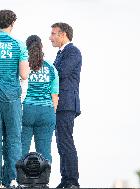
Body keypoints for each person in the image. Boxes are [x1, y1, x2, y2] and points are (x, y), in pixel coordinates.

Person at [0, 9, 30, 188]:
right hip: (12, 98)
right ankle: (13, 179)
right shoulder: (19, 45)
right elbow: (24, 75)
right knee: (14, 139)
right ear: (12, 23)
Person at [49, 22, 82, 188]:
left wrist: (45, 70)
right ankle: (66, 180)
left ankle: (71, 181)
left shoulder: (73, 51)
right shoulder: (61, 53)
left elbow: (61, 73)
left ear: (63, 35)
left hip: (67, 103)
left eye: (54, 34)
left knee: (66, 142)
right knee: (62, 142)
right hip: (60, 104)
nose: (50, 37)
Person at [21, 35, 59, 165]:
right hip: (46, 111)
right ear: (41, 47)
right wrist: (52, 113)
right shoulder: (51, 67)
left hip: (26, 110)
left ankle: (18, 181)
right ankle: (43, 182)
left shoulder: (24, 66)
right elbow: (55, 94)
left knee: (20, 150)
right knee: (44, 152)